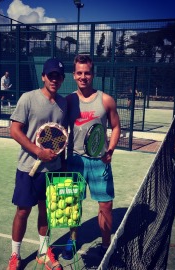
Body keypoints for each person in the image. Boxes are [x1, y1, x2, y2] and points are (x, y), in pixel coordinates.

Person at [6, 58, 67, 270]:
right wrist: (38, 151)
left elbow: (62, 137)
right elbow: (14, 130)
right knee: (23, 212)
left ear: (62, 79)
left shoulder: (63, 103)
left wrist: (62, 164)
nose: (54, 79)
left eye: (58, 76)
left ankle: (43, 253)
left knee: (46, 211)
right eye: (50, 75)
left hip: (53, 169)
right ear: (43, 77)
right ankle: (15, 256)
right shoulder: (28, 98)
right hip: (27, 169)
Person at [62, 55, 121, 260]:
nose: (83, 76)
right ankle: (72, 239)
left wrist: (110, 150)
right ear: (74, 75)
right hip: (75, 161)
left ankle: (106, 245)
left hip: (100, 162)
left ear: (92, 74)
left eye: (87, 72)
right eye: (79, 73)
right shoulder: (68, 101)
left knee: (105, 206)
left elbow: (116, 127)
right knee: (73, 204)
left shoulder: (105, 100)